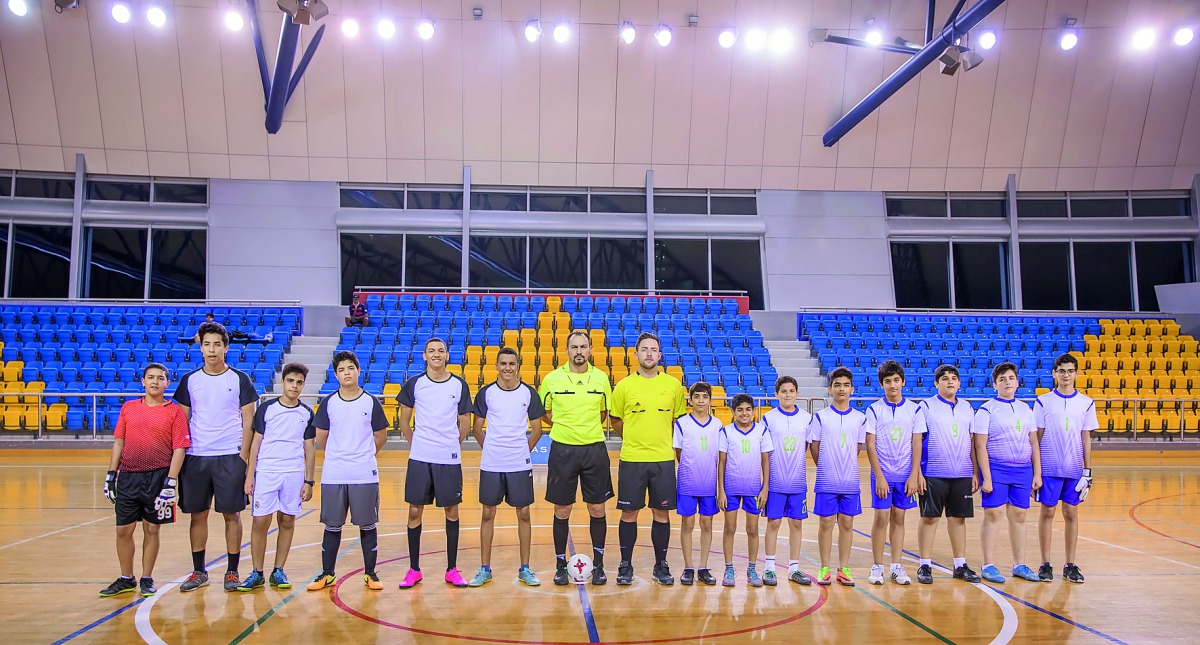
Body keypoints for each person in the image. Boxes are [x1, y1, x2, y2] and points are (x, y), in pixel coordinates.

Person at [174, 321, 258, 593]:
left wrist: (243, 458)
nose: (212, 350)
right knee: (197, 516)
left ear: (226, 348)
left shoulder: (239, 379)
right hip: (196, 457)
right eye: (207, 344)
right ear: (200, 348)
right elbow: (182, 422)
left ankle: (232, 572)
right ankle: (199, 571)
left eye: (217, 345)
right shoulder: (190, 380)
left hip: (230, 457)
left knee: (232, 515)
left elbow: (250, 422)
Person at [99, 363, 190, 598]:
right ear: (143, 381)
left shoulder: (174, 411)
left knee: (152, 529)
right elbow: (119, 441)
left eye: (160, 378)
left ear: (167, 383)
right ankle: (126, 578)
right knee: (123, 530)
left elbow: (179, 448)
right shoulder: (129, 408)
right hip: (128, 477)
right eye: (150, 377)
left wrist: (171, 482)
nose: (155, 382)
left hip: (159, 477)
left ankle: (147, 577)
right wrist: (111, 476)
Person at [307, 351, 390, 592]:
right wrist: (339, 454)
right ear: (336, 375)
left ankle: (370, 573)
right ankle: (327, 573)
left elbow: (381, 436)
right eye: (342, 369)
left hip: (364, 473)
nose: (347, 373)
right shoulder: (329, 403)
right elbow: (321, 436)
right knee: (332, 525)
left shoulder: (370, 402)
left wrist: (362, 455)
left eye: (350, 368)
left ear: (358, 371)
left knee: (367, 524)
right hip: (334, 473)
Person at [611, 332, 687, 586]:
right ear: (636, 355)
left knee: (661, 514)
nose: (649, 354)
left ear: (660, 355)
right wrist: (633, 438)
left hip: (663, 460)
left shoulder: (673, 385)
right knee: (629, 513)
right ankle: (625, 564)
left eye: (653, 349)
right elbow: (615, 420)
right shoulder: (623, 386)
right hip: (632, 459)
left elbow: (677, 420)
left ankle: (661, 565)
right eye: (644, 349)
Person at [539, 331, 614, 586]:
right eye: (574, 347)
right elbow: (545, 412)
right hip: (562, 450)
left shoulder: (602, 379)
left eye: (583, 347)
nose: (579, 351)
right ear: (567, 350)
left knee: (597, 508)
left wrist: (585, 429)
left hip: (594, 450)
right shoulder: (552, 379)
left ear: (591, 350)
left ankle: (600, 566)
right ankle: (560, 566)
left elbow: (604, 412)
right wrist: (566, 427)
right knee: (562, 509)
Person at [396, 338, 473, 589]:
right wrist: (418, 444)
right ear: (424, 356)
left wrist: (450, 444)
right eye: (432, 351)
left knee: (451, 511)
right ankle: (414, 569)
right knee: (415, 511)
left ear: (447, 355)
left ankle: (451, 569)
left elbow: (465, 423)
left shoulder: (459, 384)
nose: (436, 354)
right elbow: (404, 423)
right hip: (420, 458)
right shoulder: (415, 384)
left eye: (440, 351)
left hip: (448, 459)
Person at [468, 348, 546, 588]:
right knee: (487, 513)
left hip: (518, 463)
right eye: (503, 363)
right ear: (497, 365)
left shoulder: (528, 393)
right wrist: (491, 449)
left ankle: (525, 568)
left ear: (518, 365)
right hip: (492, 463)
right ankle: (485, 569)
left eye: (512, 363)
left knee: (523, 513)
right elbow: (477, 428)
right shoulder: (486, 393)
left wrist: (523, 451)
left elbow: (537, 429)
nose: (507, 368)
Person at [237, 363, 316, 591]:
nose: (294, 386)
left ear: (303, 385)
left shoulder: (306, 413)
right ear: (282, 382)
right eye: (291, 381)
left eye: (299, 382)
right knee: (261, 521)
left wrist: (308, 481)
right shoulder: (267, 409)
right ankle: (257, 572)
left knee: (287, 521)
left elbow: (309, 449)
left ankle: (278, 570)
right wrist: (249, 475)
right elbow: (255, 444)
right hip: (267, 473)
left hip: (293, 474)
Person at [913, 364, 983, 585]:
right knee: (929, 518)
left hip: (962, 472)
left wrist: (974, 471)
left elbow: (971, 443)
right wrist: (919, 473)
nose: (950, 381)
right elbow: (917, 441)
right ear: (936, 383)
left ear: (959, 383)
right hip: (933, 472)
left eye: (954, 378)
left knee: (958, 519)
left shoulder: (967, 408)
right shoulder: (925, 407)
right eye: (944, 378)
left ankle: (960, 564)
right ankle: (925, 564)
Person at [972, 361, 1042, 584]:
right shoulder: (986, 410)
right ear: (995, 384)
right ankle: (988, 564)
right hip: (997, 468)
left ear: (1017, 382)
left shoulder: (1025, 409)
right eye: (1002, 379)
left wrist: (1037, 473)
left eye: (1011, 378)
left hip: (1023, 470)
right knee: (994, 515)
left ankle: (1019, 564)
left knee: (1020, 516)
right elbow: (980, 445)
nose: (1007, 382)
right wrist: (987, 477)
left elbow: (1033, 442)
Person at [1035, 353, 1097, 584]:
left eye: (1070, 371)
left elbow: (1086, 438)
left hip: (1073, 469)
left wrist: (1087, 471)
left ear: (1077, 374)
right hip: (1050, 467)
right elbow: (1037, 437)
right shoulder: (1043, 401)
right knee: (1047, 512)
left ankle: (1070, 564)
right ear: (1054, 374)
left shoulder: (1086, 403)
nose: (1066, 375)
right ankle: (1045, 563)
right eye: (1061, 371)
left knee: (1071, 513)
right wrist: (1037, 470)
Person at [864, 360, 920, 586]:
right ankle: (877, 565)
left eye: (896, 380)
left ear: (903, 382)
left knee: (900, 517)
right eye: (888, 381)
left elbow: (917, 443)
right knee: (881, 518)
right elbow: (870, 444)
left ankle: (896, 566)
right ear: (882, 384)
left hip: (905, 475)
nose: (893, 385)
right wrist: (879, 475)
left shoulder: (914, 409)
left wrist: (914, 474)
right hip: (883, 474)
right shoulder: (874, 409)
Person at [810, 367, 867, 587]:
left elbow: (857, 447)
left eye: (845, 385)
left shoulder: (860, 418)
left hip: (850, 481)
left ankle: (844, 568)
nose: (841, 389)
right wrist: (825, 467)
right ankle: (824, 567)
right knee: (826, 523)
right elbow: (814, 446)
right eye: (837, 385)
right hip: (826, 481)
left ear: (852, 389)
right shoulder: (821, 418)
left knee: (846, 523)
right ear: (829, 389)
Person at [761, 376, 814, 587]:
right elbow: (764, 452)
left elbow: (808, 446)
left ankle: (793, 568)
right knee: (773, 522)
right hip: (775, 482)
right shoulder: (768, 419)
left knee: (796, 523)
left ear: (797, 394)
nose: (788, 395)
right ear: (776, 394)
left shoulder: (807, 418)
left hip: (798, 481)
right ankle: (770, 568)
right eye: (783, 391)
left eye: (791, 391)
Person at [717, 394, 772, 587]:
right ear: (733, 412)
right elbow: (721, 463)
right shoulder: (726, 432)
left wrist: (765, 488)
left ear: (753, 411)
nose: (744, 413)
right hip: (731, 488)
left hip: (753, 489)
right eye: (739, 409)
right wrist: (721, 491)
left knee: (753, 529)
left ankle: (752, 568)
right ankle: (729, 568)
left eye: (748, 409)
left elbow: (766, 461)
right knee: (729, 528)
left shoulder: (761, 431)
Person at [674, 382, 720, 586]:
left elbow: (720, 456)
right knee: (688, 523)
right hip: (688, 482)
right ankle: (688, 567)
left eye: (705, 396)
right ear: (690, 400)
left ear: (710, 399)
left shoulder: (718, 425)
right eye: (697, 397)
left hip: (709, 483)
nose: (701, 400)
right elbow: (678, 452)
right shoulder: (682, 423)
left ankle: (703, 566)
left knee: (707, 523)